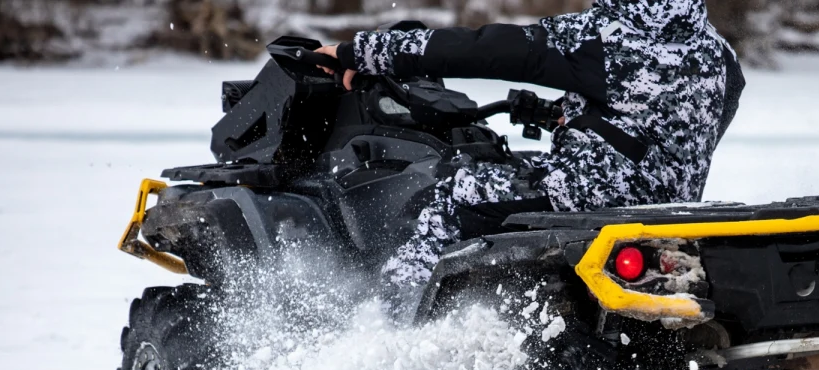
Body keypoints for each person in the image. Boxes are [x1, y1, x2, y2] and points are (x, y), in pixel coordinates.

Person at [316, 0, 744, 299]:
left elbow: (484, 49)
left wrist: (361, 53)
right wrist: (582, 119)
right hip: (671, 206)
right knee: (511, 180)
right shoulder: (716, 51)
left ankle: (386, 324)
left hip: (592, 197)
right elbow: (685, 114)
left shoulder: (599, 37)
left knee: (452, 194)